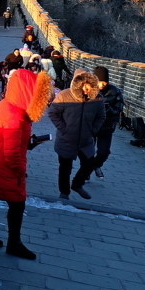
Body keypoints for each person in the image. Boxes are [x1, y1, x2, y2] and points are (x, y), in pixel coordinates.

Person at [0, 69, 53, 260]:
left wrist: (27, 142)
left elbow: (8, 140)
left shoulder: (6, 105)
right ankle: (14, 243)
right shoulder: (15, 117)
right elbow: (11, 154)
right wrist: (21, 172)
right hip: (2, 165)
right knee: (17, 203)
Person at [48, 70, 105, 200]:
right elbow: (53, 113)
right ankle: (64, 192)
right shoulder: (64, 95)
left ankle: (77, 184)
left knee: (89, 164)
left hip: (86, 139)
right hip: (66, 138)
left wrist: (93, 130)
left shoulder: (97, 98)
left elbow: (101, 116)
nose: (87, 90)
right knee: (65, 168)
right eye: (85, 87)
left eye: (90, 87)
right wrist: (64, 128)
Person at [92, 66, 125, 179]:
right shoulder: (88, 89)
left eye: (105, 81)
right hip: (90, 126)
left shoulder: (114, 91)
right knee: (87, 152)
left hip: (106, 126)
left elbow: (119, 108)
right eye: (100, 82)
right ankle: (85, 173)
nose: (102, 84)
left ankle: (96, 165)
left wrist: (109, 109)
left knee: (104, 152)